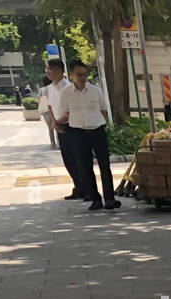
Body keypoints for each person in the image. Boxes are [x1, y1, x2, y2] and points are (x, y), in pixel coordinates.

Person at [51, 60, 120, 211]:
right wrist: (56, 123)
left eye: (85, 74)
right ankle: (95, 199)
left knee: (104, 166)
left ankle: (109, 199)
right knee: (85, 167)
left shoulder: (96, 91)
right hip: (78, 133)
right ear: (72, 75)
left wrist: (94, 121)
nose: (83, 77)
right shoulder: (66, 93)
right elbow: (66, 113)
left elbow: (103, 110)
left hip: (97, 131)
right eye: (79, 75)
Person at [41, 59, 81, 200]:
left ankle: (85, 188)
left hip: (72, 126)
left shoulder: (69, 87)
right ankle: (78, 186)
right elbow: (50, 107)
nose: (48, 72)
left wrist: (58, 122)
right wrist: (54, 122)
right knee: (67, 159)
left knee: (78, 159)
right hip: (59, 126)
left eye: (49, 69)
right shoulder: (50, 88)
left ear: (59, 70)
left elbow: (71, 110)